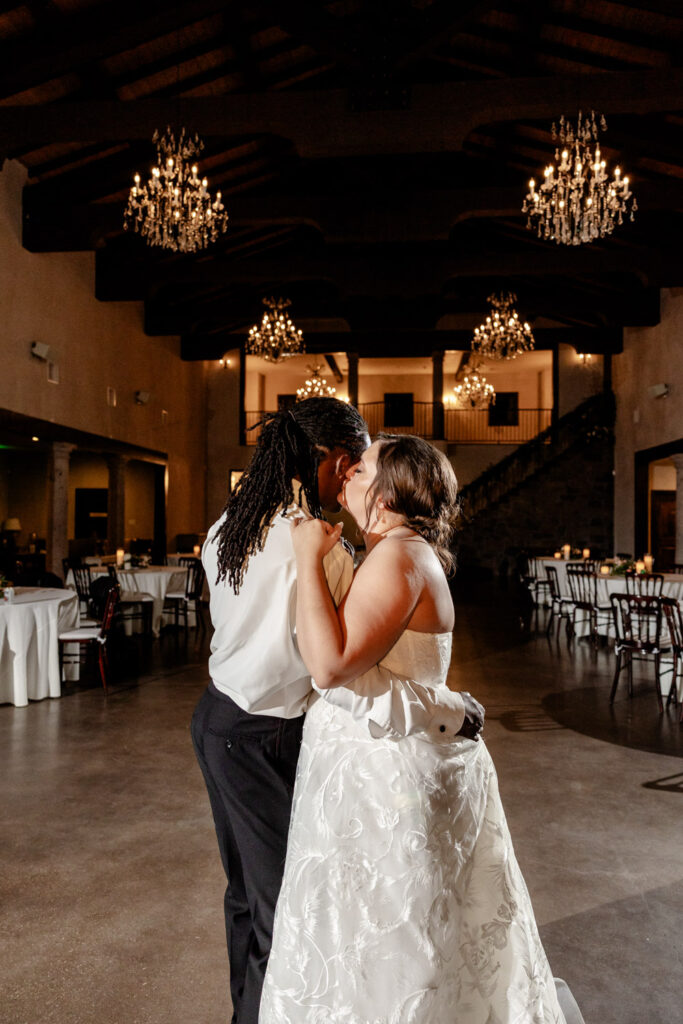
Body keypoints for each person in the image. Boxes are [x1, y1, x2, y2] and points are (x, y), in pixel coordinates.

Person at [260, 434, 584, 1024]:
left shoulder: (400, 556)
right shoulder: (392, 550)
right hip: (370, 770)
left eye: (361, 469)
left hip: (390, 781)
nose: (347, 475)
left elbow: (330, 666)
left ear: (386, 494)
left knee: (394, 939)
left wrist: (307, 560)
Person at [191, 400, 484, 1024]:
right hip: (266, 733)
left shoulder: (230, 525)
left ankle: (247, 1011)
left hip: (217, 719)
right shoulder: (323, 551)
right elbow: (339, 669)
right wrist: (445, 704)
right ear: (330, 460)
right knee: (284, 904)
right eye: (347, 464)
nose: (350, 475)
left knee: (244, 893)